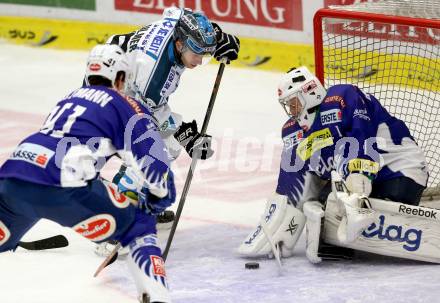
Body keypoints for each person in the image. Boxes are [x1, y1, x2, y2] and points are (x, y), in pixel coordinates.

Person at [0, 44, 176, 303]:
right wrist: (158, 197)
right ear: (120, 78)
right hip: (62, 182)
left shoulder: (69, 97)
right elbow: (155, 165)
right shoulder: (125, 103)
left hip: (13, 173)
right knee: (140, 226)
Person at [237, 66, 429, 261]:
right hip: (361, 179)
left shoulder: (341, 97)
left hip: (400, 169)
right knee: (324, 205)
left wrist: (359, 175)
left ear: (310, 92)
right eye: (287, 105)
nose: (291, 110)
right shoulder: (292, 132)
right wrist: (283, 227)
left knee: (363, 198)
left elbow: (361, 136)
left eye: (293, 102)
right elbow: (293, 182)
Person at [93, 5, 240, 257]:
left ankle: (146, 201)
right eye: (197, 54)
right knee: (152, 151)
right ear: (180, 44)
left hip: (121, 69)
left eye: (204, 54)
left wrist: (218, 36)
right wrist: (187, 136)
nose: (200, 61)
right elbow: (150, 119)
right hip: (111, 92)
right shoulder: (155, 76)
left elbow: (177, 11)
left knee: (164, 145)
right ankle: (113, 223)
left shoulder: (180, 29)